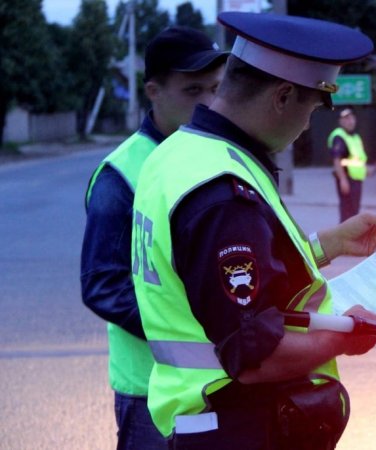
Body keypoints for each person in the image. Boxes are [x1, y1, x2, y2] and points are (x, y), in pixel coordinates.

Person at [130, 12, 376, 449]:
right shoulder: (223, 191)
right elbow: (256, 356)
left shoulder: (178, 152)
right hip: (240, 426)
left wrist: (331, 244)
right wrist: (345, 335)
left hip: (205, 421)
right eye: (313, 105)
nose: (309, 122)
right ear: (283, 95)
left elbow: (216, 275)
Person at [80, 26, 227, 449]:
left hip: (219, 383)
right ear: (153, 91)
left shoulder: (215, 157)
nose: (207, 102)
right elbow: (103, 285)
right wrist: (194, 329)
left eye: (216, 88)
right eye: (193, 89)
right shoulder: (121, 174)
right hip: (151, 390)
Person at [328, 107, 367, 222]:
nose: (350, 121)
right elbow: (337, 160)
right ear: (340, 122)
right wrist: (343, 180)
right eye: (346, 119)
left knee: (354, 211)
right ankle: (344, 237)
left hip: (356, 179)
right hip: (347, 179)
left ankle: (352, 236)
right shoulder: (339, 137)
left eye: (351, 118)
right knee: (347, 212)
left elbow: (358, 159)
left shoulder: (355, 137)